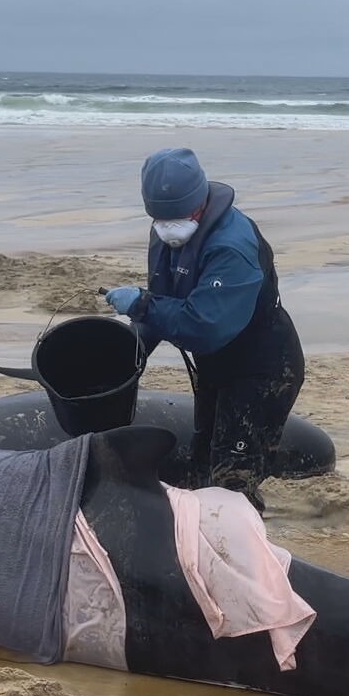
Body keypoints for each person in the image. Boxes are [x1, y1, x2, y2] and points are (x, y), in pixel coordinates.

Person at [103, 147, 304, 511]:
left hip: (262, 366)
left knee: (232, 480)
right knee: (201, 466)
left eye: (180, 216)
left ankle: (246, 558)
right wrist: (128, 351)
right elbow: (164, 299)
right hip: (215, 365)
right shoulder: (164, 233)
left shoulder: (232, 246)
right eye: (160, 218)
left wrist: (142, 304)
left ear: (201, 201)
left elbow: (204, 327)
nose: (169, 227)